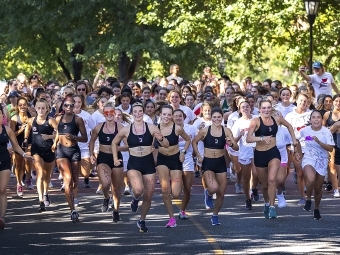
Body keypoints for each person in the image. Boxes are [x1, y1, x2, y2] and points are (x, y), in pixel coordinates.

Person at [111, 102, 169, 232]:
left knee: (149, 195)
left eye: (140, 111)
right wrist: (115, 158)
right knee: (138, 189)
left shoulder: (152, 127)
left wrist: (161, 138)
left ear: (143, 113)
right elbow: (114, 142)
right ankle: (135, 198)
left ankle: (141, 220)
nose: (138, 114)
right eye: (135, 111)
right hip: (134, 163)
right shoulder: (126, 129)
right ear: (132, 114)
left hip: (148, 163)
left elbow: (165, 144)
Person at [246, 98, 298, 219]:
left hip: (273, 153)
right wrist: (262, 138)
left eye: (268, 107)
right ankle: (266, 203)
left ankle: (272, 206)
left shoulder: (277, 119)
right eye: (263, 108)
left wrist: (294, 140)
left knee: (271, 179)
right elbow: (248, 138)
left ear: (271, 108)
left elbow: (289, 126)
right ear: (259, 109)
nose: (266, 110)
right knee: (264, 185)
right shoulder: (255, 121)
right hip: (260, 155)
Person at [192, 107, 239, 225]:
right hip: (208, 162)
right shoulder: (205, 130)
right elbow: (194, 141)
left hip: (220, 162)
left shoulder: (226, 130)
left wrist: (231, 144)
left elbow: (236, 147)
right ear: (211, 118)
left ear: (222, 118)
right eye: (214, 117)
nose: (217, 119)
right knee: (213, 188)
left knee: (221, 193)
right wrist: (198, 155)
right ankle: (207, 193)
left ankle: (215, 215)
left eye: (219, 117)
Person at [52, 95, 88, 223]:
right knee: (67, 180)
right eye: (66, 105)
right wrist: (54, 143)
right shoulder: (58, 118)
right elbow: (57, 132)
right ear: (63, 106)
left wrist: (74, 137)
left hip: (74, 151)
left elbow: (85, 138)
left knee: (74, 182)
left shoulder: (78, 120)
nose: (69, 107)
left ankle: (72, 196)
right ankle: (72, 210)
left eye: (71, 105)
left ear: (75, 106)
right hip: (62, 151)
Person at [89, 102, 127, 222]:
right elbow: (91, 141)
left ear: (115, 113)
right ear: (103, 114)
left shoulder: (120, 127)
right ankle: (106, 197)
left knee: (116, 188)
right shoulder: (99, 127)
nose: (109, 114)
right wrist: (91, 155)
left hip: (117, 159)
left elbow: (128, 146)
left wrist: (117, 148)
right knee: (105, 183)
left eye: (112, 112)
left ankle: (116, 210)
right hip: (103, 158)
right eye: (107, 112)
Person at [0, 104, 34, 230]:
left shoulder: (7, 130)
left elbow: (15, 146)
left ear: (3, 116)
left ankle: (2, 217)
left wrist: (25, 154)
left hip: (4, 161)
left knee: (2, 189)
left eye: (0, 114)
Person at [157, 105, 190, 227]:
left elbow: (188, 140)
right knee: (165, 190)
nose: (166, 117)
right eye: (164, 114)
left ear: (172, 116)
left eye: (169, 114)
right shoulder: (156, 128)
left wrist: (183, 152)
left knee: (175, 194)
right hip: (162, 160)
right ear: (160, 115)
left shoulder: (177, 128)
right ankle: (171, 218)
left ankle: (174, 182)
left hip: (175, 158)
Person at [24, 99, 57, 212]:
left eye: (43, 108)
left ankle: (46, 193)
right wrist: (25, 138)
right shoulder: (32, 120)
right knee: (40, 174)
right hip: (36, 150)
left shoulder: (51, 120)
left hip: (49, 150)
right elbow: (27, 128)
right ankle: (41, 201)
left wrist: (50, 138)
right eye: (39, 108)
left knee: (47, 177)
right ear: (36, 109)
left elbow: (59, 132)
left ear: (47, 109)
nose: (41, 110)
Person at [302, 110, 334, 220]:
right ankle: (308, 199)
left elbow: (330, 148)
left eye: (318, 117)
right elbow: (296, 140)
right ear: (310, 120)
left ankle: (316, 208)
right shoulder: (304, 131)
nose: (316, 119)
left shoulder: (326, 132)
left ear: (321, 119)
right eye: (314, 117)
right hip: (308, 159)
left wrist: (319, 142)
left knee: (318, 188)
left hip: (322, 160)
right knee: (310, 179)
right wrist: (297, 152)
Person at [285, 93, 312, 205]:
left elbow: (315, 130)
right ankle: (302, 197)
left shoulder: (311, 114)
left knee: (308, 173)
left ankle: (309, 196)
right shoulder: (289, 116)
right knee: (300, 172)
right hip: (295, 146)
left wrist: (308, 138)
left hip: (310, 146)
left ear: (308, 103)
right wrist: (290, 144)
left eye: (305, 101)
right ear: (296, 100)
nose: (303, 103)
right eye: (301, 100)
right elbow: (286, 132)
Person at [231, 101, 256, 210]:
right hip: (244, 151)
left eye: (247, 106)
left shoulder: (257, 119)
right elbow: (233, 141)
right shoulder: (238, 123)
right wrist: (240, 135)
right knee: (246, 178)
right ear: (240, 110)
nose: (245, 108)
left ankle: (254, 188)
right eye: (243, 107)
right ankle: (247, 199)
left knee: (256, 173)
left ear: (250, 107)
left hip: (257, 150)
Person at [10, 97, 36, 196]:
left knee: (28, 159)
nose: (22, 107)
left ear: (27, 105)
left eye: (24, 104)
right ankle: (19, 183)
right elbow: (12, 134)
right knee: (19, 165)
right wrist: (21, 130)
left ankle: (28, 178)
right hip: (18, 143)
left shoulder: (32, 115)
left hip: (29, 141)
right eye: (20, 105)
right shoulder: (14, 118)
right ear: (17, 106)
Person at [173, 109, 197, 218]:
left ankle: (182, 210)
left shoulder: (191, 128)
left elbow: (198, 140)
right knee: (175, 192)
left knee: (187, 188)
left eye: (180, 116)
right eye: (176, 116)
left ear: (184, 117)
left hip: (187, 159)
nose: (178, 118)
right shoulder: (169, 129)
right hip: (173, 160)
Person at [72, 95, 95, 197]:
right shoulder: (67, 115)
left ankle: (83, 178)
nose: (77, 104)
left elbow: (94, 129)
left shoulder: (86, 116)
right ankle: (73, 193)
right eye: (75, 102)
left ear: (82, 103)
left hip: (84, 146)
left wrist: (93, 144)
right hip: (71, 147)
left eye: (79, 102)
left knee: (85, 173)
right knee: (73, 172)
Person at [323, 94, 340, 197]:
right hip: (330, 142)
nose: (338, 103)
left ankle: (337, 185)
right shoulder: (327, 114)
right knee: (332, 166)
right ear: (333, 102)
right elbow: (323, 129)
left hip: (339, 141)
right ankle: (335, 188)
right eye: (336, 101)